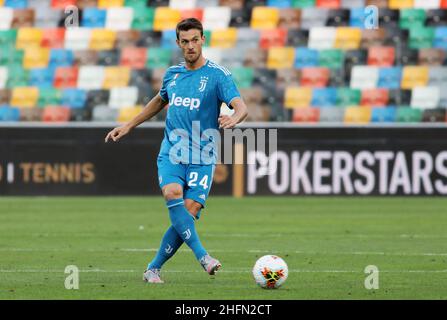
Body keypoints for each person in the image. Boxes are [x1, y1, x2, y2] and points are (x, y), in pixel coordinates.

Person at [105, 18, 248, 283]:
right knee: (172, 193)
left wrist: (233, 118)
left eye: (195, 40)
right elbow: (159, 101)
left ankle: (153, 268)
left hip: (203, 155)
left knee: (189, 211)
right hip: (173, 150)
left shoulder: (218, 75)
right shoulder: (173, 74)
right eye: (185, 41)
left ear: (203, 39)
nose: (191, 46)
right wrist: (128, 125)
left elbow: (241, 106)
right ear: (178, 43)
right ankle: (203, 256)